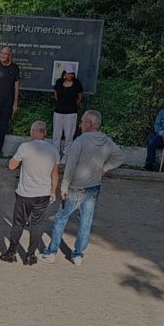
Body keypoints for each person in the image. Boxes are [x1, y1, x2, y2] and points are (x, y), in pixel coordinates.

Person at [41, 110, 124, 266]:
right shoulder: (106, 140)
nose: (80, 124)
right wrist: (104, 168)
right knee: (85, 222)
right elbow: (121, 156)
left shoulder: (80, 141)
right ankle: (78, 254)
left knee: (61, 219)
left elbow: (70, 166)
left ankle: (51, 252)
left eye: (82, 121)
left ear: (88, 123)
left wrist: (64, 186)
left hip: (76, 187)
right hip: (93, 187)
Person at [0, 120, 59, 265]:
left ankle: (11, 252)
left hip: (25, 193)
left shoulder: (25, 147)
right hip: (43, 193)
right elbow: (55, 174)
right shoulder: (53, 150)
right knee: (36, 225)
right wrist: (53, 191)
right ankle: (30, 255)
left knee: (18, 223)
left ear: (32, 132)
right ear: (45, 133)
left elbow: (11, 165)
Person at [52, 63, 83, 160]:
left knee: (69, 135)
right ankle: (56, 154)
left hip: (71, 113)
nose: (70, 75)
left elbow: (80, 97)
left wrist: (72, 105)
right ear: (64, 73)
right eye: (69, 73)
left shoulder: (77, 84)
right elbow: (56, 94)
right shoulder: (59, 82)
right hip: (58, 112)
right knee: (56, 134)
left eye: (72, 73)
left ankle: (66, 155)